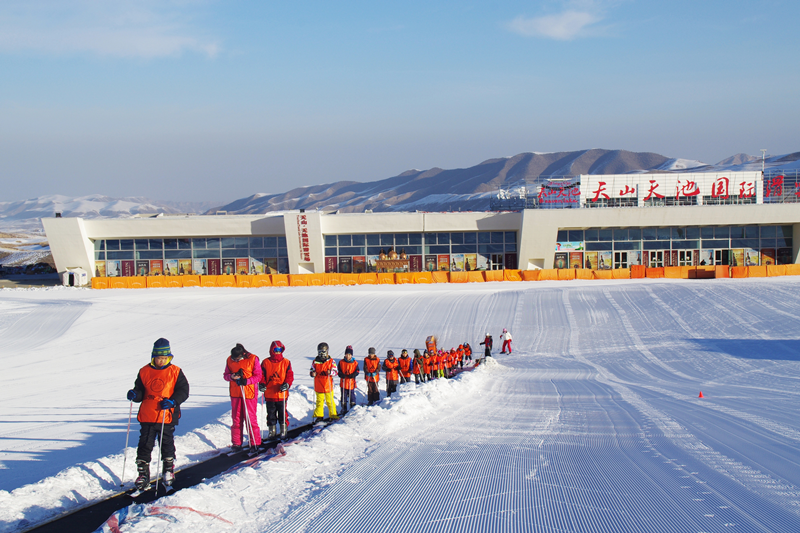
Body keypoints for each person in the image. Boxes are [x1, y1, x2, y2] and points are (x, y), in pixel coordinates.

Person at [127, 338, 190, 490]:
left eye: (163, 358)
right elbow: (141, 390)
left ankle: (168, 470)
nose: (161, 361)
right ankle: (143, 473)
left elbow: (183, 391)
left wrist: (173, 402)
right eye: (158, 358)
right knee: (145, 443)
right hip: (148, 414)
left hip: (166, 415)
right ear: (153, 357)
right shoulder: (144, 371)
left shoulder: (175, 371)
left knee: (166, 442)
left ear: (168, 357)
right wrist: (135, 395)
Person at [224, 343, 262, 452]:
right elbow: (225, 375)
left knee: (250, 419)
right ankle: (236, 443)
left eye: (237, 359)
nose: (235, 361)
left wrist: (246, 381)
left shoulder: (253, 359)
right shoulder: (229, 360)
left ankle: (255, 442)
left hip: (249, 393)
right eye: (233, 359)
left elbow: (258, 376)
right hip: (236, 393)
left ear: (242, 355)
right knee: (236, 419)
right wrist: (231, 377)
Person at [259, 340, 293, 438]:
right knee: (271, 413)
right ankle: (272, 431)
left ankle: (283, 429)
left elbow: (289, 375)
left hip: (281, 393)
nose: (278, 352)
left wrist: (287, 384)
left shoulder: (286, 362)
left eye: (280, 349)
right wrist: (262, 384)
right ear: (271, 350)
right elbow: (261, 375)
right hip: (270, 393)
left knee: (282, 413)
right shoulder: (266, 362)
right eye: (276, 349)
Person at [310, 342, 338, 423]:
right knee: (319, 402)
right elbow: (312, 370)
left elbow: (336, 372)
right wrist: (312, 373)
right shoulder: (315, 362)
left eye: (323, 352)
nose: (322, 354)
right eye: (320, 352)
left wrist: (331, 372)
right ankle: (319, 416)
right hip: (319, 385)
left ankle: (333, 415)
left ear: (327, 352)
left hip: (328, 385)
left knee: (330, 401)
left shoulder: (331, 361)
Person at [337, 346, 359, 414]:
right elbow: (338, 370)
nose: (348, 356)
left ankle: (352, 406)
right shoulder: (341, 362)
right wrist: (341, 374)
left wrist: (354, 374)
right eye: (347, 354)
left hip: (351, 382)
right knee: (343, 395)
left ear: (351, 355)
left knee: (352, 395)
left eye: (349, 354)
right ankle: (344, 408)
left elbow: (357, 371)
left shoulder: (355, 363)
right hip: (343, 382)